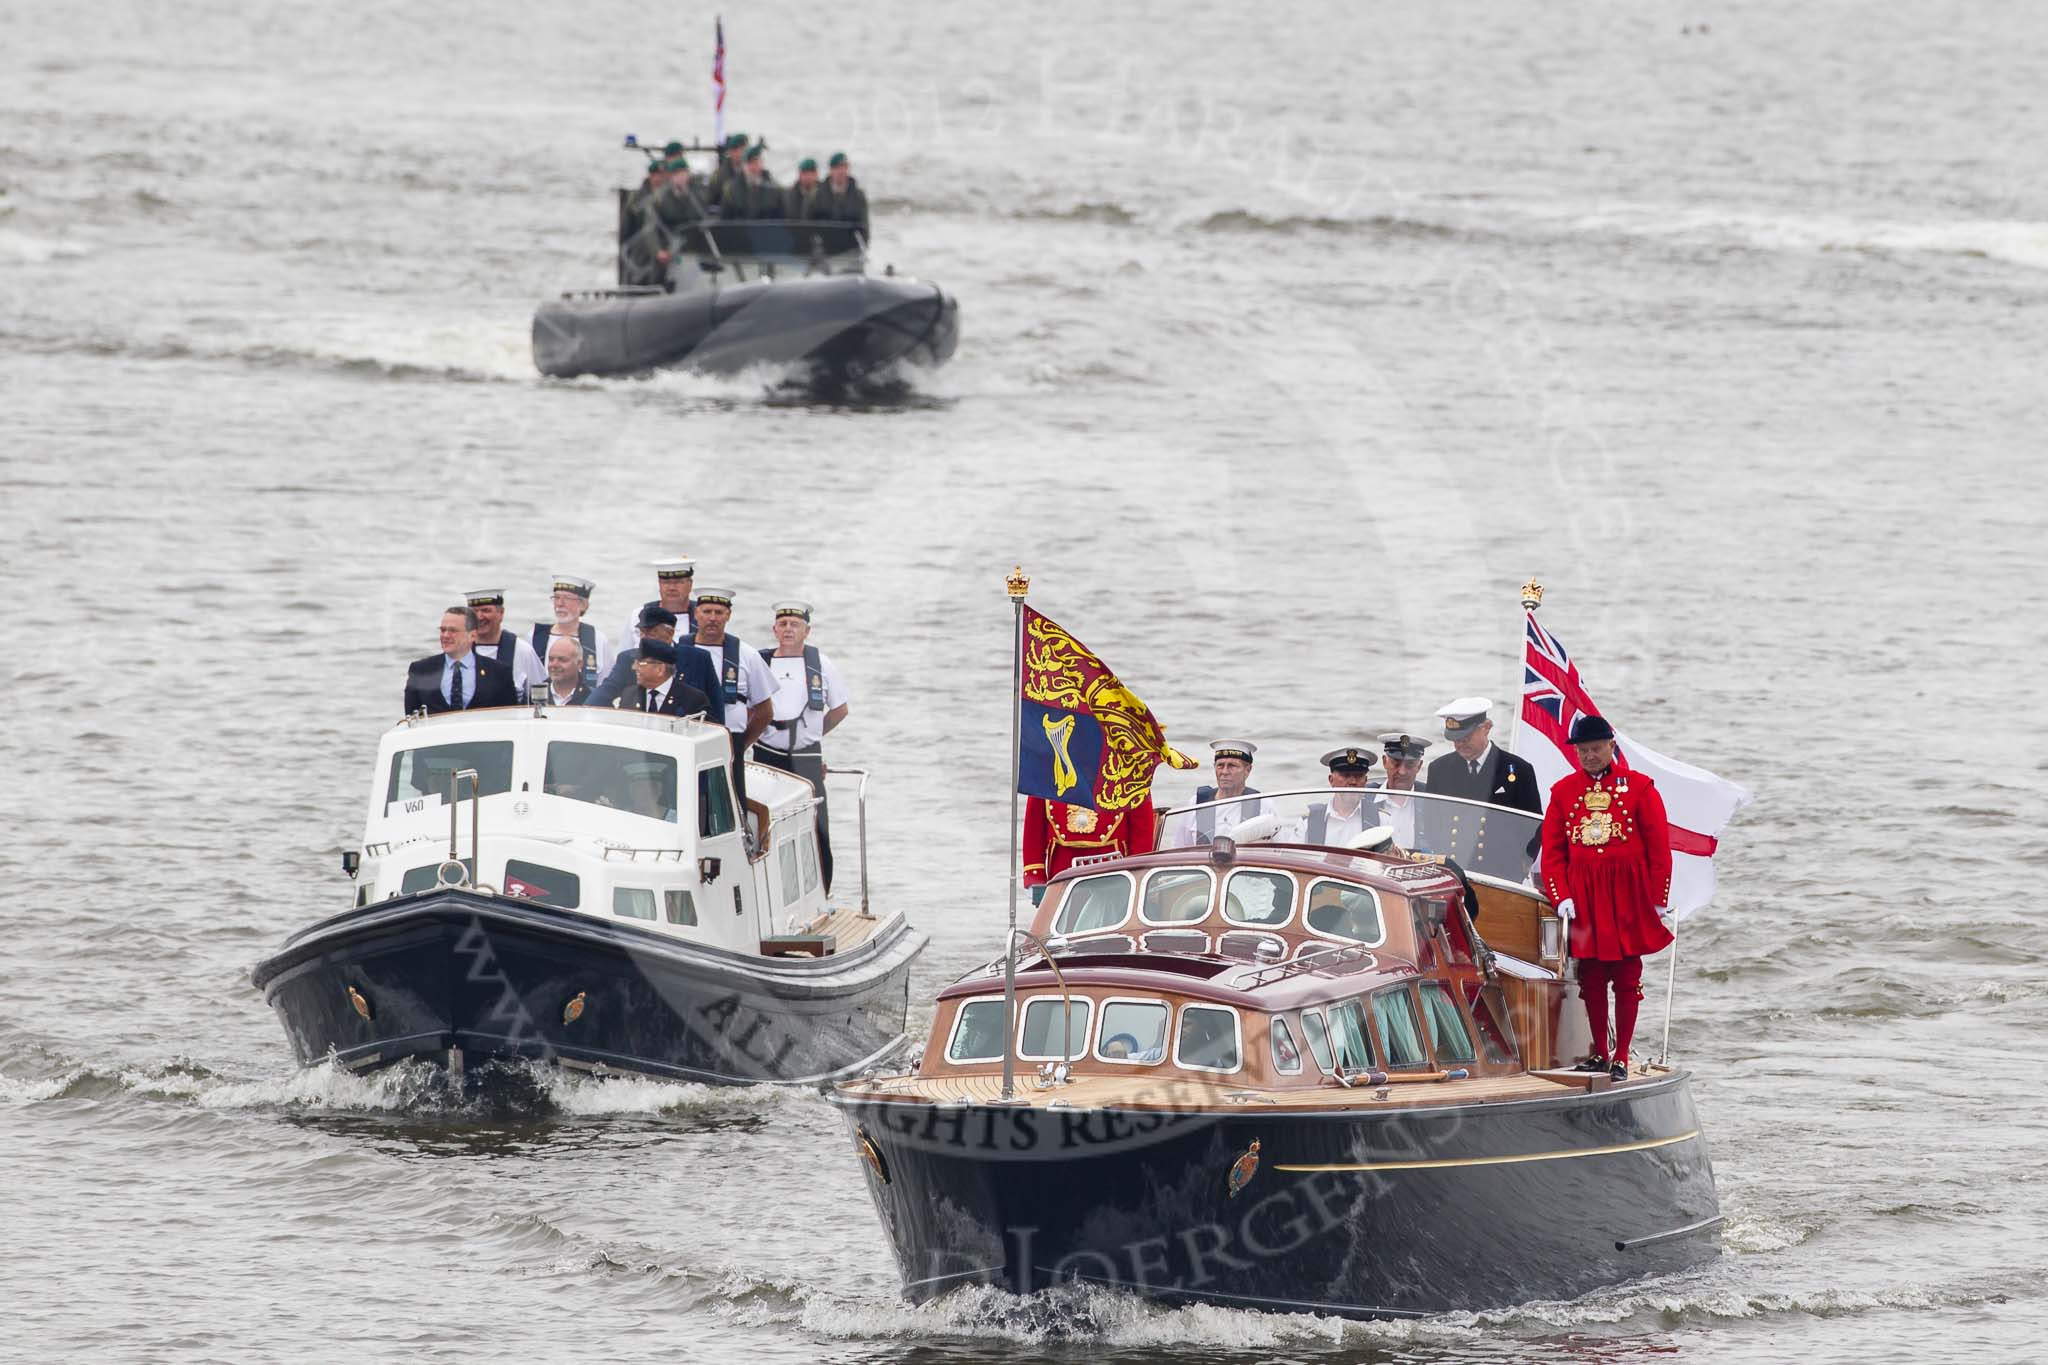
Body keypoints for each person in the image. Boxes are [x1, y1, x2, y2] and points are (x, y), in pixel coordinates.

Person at [1539, 714, 1674, 1082]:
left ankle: (1621, 1055)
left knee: (1627, 976)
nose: (1589, 756)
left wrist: (1656, 899)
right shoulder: (1563, 792)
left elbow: (1659, 850)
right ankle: (1600, 1051)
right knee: (1590, 977)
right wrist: (1561, 895)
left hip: (1627, 896)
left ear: (1612, 746)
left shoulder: (1640, 788)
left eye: (1595, 749)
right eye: (1583, 751)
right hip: (1583, 899)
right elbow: (1553, 853)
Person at [753, 601, 850, 891]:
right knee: (763, 821)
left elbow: (840, 709)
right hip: (767, 755)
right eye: (782, 624)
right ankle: (768, 888)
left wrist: (814, 734)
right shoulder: (761, 662)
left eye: (795, 625)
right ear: (774, 629)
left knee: (817, 826)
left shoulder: (820, 663)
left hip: (806, 755)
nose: (788, 629)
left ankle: (823, 889)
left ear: (807, 631)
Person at [1417, 697, 1541, 878]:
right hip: (1454, 870)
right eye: (1455, 739)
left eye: (1466, 737)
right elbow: (1431, 822)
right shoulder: (1440, 769)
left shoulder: (1518, 769)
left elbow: (1534, 823)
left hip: (1501, 871)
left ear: (1487, 727)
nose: (1460, 744)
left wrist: (1524, 862)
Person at [689, 588, 778, 815]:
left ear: (728, 616)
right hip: (687, 737)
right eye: (707, 611)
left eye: (719, 612)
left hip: (730, 742)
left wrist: (741, 745)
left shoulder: (746, 655)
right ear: (696, 613)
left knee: (731, 806)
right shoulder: (680, 650)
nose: (712, 618)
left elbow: (765, 710)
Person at [1023, 795, 1158, 907]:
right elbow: (1034, 829)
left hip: (1114, 875)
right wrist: (1036, 877)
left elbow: (1142, 831)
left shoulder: (1128, 767)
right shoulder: (1048, 767)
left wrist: (1138, 876)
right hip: (1061, 873)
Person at [594, 605, 725, 718]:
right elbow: (602, 695)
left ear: (670, 633)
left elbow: (716, 709)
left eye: (651, 633)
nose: (644, 640)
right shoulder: (627, 659)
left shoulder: (698, 659)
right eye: (642, 633)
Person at [403, 606, 518, 714]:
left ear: (472, 636)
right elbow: (412, 719)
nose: (445, 636)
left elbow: (509, 717)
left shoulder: (499, 672)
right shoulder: (421, 670)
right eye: (443, 630)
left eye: (453, 631)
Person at [1163, 741, 1263, 848]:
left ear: (1248, 770)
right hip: (1200, 864)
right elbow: (1179, 849)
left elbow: (1279, 851)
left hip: (1246, 864)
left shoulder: (1261, 803)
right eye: (1220, 765)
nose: (1224, 772)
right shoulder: (1197, 803)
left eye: (1232, 766)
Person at [530, 575, 612, 693]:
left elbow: (606, 686)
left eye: (567, 598)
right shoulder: (535, 637)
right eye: (556, 598)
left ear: (583, 605)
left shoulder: (597, 640)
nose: (560, 604)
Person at [464, 589, 542, 695]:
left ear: (501, 613)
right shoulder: (459, 650)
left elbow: (541, 693)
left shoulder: (522, 650)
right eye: (474, 612)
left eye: (486, 610)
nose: (479, 617)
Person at [614, 638, 714, 718]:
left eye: (640, 663)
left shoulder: (693, 700)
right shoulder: (629, 695)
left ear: (660, 669)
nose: (634, 667)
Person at [1299, 746, 1378, 846]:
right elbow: (1292, 858)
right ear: (1331, 780)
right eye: (1345, 775)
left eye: (1358, 775)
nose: (1353, 782)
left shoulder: (1380, 819)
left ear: (1366, 781)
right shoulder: (1308, 822)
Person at [1371, 732, 1431, 848]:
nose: (1402, 771)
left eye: (1409, 765)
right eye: (1396, 764)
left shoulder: (1431, 799)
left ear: (1419, 766)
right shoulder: (1364, 798)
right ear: (1384, 762)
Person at [624, 558, 698, 649]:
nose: (672, 588)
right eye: (666, 582)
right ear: (659, 584)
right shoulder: (639, 615)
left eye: (678, 582)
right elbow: (624, 655)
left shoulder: (705, 615)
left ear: (690, 585)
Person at [814, 152, 870, 240]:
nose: (841, 172)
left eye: (844, 167)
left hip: (849, 244)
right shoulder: (819, 193)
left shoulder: (858, 195)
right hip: (825, 243)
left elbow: (864, 225)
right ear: (831, 170)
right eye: (837, 168)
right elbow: (811, 221)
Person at [720, 144, 782, 221]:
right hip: (740, 232)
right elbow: (725, 221)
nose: (753, 167)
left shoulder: (774, 190)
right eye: (749, 163)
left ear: (762, 163)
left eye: (756, 162)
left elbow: (781, 219)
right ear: (743, 166)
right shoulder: (731, 190)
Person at [541, 634, 593, 706]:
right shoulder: (534, 696)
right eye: (551, 659)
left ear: (579, 664)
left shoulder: (592, 698)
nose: (554, 665)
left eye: (562, 660)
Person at [706, 132, 749, 208]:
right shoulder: (719, 176)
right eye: (741, 150)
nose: (743, 154)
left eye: (745, 150)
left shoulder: (753, 171)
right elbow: (711, 202)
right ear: (731, 152)